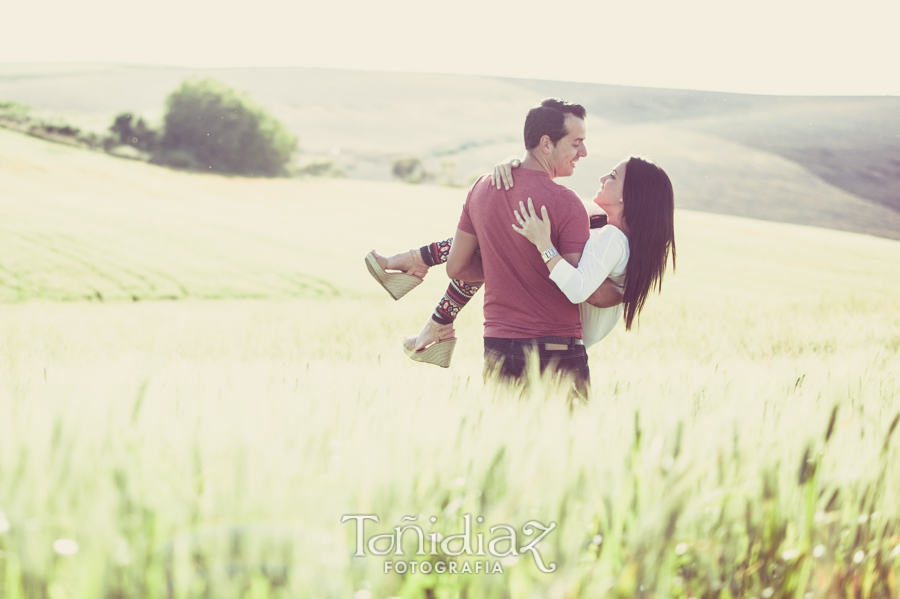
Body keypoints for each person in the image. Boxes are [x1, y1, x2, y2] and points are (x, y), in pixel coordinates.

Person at [366, 98, 623, 396]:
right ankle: (421, 280)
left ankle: (418, 271)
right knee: (568, 440)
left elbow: (457, 268)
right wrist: (624, 289)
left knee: (506, 438)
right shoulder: (566, 202)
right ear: (546, 144)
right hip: (555, 350)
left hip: (497, 348)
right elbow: (580, 286)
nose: (584, 152)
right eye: (576, 143)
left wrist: (507, 261)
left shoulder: (482, 187)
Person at [368, 154, 676, 397]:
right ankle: (435, 318)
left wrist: (543, 243)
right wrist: (514, 168)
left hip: (561, 336)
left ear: (629, 195)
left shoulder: (611, 238)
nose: (601, 177)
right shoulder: (607, 230)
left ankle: (421, 282)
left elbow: (579, 289)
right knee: (499, 242)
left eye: (612, 176)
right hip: (557, 331)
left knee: (499, 241)